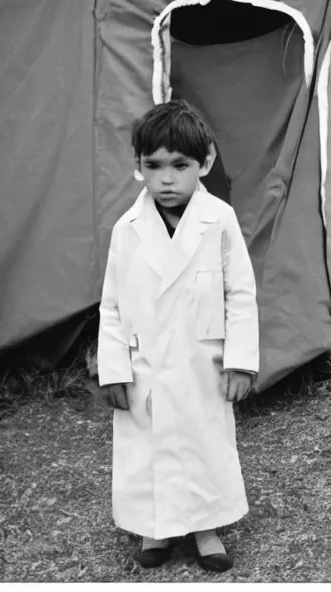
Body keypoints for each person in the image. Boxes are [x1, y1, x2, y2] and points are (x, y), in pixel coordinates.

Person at [97, 99, 259, 573]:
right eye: (154, 166)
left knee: (204, 443)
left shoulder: (220, 219)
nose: (167, 179)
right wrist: (114, 369)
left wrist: (240, 360)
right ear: (138, 167)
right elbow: (111, 306)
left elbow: (241, 294)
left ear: (205, 162)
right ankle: (154, 528)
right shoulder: (126, 230)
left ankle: (207, 528)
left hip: (200, 363)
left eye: (180, 165)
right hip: (144, 366)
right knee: (146, 447)